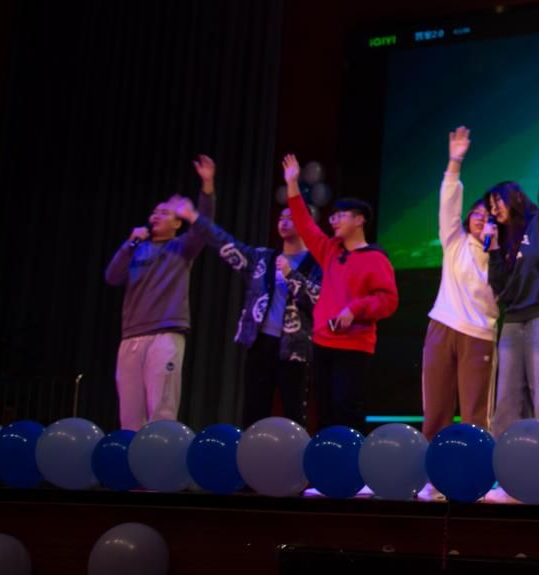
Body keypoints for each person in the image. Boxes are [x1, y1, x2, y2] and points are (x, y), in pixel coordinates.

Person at [480, 89, 539, 504]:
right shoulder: (505, 242)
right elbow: (501, 290)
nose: (493, 209)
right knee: (505, 407)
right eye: (489, 205)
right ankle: (513, 484)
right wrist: (491, 248)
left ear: (515, 197)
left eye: (497, 201)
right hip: (513, 322)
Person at [283, 154, 398, 432]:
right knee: (323, 413)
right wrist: (292, 184)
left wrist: (355, 309)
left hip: (354, 346)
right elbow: (305, 224)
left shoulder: (375, 258)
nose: (334, 221)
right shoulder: (331, 251)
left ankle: (350, 459)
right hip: (323, 342)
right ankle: (326, 458)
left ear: (359, 220)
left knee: (346, 409)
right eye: (333, 216)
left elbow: (388, 300)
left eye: (341, 216)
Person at [183, 200, 322, 428]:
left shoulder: (317, 264)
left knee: (294, 412)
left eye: (291, 217)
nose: (284, 222)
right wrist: (195, 218)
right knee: (254, 410)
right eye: (281, 218)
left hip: (296, 348)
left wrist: (291, 274)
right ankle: (250, 450)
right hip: (260, 343)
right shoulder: (263, 258)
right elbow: (226, 245)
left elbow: (320, 301)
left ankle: (296, 452)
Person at [104, 156, 216, 430]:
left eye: (164, 213)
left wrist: (207, 184)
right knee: (129, 416)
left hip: (165, 334)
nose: (156, 216)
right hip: (131, 336)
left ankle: (160, 456)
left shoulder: (182, 246)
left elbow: (204, 226)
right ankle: (130, 457)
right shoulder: (137, 249)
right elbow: (112, 276)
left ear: (177, 224)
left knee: (161, 411)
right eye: (154, 212)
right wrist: (129, 244)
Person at [418, 126, 498, 501]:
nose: (480, 218)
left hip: (479, 336)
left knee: (475, 416)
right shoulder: (454, 242)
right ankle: (431, 479)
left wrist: (495, 248)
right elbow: (448, 203)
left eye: (488, 215)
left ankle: (474, 482)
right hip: (442, 327)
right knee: (435, 411)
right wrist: (454, 162)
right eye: (476, 213)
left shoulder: (501, 256)